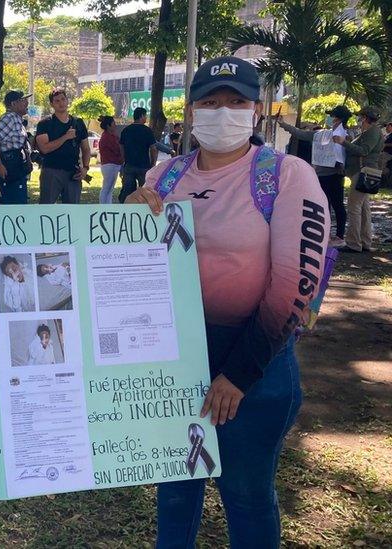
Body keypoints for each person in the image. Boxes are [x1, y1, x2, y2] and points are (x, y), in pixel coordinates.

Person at [124, 56, 329, 547]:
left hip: (256, 363)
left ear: (256, 110)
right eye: (210, 103)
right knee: (174, 489)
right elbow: (124, 270)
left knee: (246, 493)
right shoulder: (164, 176)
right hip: (173, 362)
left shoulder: (285, 175)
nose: (223, 112)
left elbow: (293, 286)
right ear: (191, 111)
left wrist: (237, 376)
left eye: (236, 102)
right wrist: (126, 216)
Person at [275, 104, 350, 246]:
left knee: (337, 205)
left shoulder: (346, 136)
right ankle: (326, 235)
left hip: (335, 175)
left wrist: (344, 166)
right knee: (325, 205)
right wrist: (283, 124)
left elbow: (351, 153)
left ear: (338, 119)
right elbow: (301, 134)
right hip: (321, 176)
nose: (330, 119)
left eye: (332, 116)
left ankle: (340, 236)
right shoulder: (323, 134)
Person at [340, 106, 384, 253]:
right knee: (364, 208)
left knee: (354, 207)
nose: (358, 120)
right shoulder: (368, 132)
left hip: (363, 172)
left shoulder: (373, 132)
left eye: (360, 117)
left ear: (365, 118)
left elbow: (364, 150)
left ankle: (354, 243)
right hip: (362, 171)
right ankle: (364, 241)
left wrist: (343, 143)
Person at [35, 88, 91, 204]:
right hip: (51, 171)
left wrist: (85, 167)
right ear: (52, 104)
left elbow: (86, 149)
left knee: (72, 210)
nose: (61, 103)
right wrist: (65, 137)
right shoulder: (45, 124)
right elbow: (44, 148)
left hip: (73, 172)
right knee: (46, 208)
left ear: (67, 100)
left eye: (63, 99)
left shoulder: (78, 122)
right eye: (57, 101)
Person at [0, 91, 32, 204]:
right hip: (10, 167)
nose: (26, 103)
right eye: (23, 100)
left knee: (18, 203)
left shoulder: (17, 119)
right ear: (13, 104)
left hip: (17, 167)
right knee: (14, 205)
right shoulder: (9, 118)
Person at [118, 107, 157, 204]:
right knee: (145, 192)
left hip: (129, 165)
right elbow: (153, 148)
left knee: (127, 191)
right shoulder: (147, 131)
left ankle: (126, 209)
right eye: (145, 115)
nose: (146, 118)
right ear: (142, 116)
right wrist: (153, 163)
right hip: (144, 165)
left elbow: (121, 147)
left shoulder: (126, 130)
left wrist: (124, 160)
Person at [98, 116, 123, 204]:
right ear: (109, 126)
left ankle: (107, 205)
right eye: (113, 123)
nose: (115, 125)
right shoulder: (107, 137)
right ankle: (103, 205)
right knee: (107, 187)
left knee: (109, 188)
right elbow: (117, 149)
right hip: (110, 164)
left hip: (112, 164)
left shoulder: (110, 136)